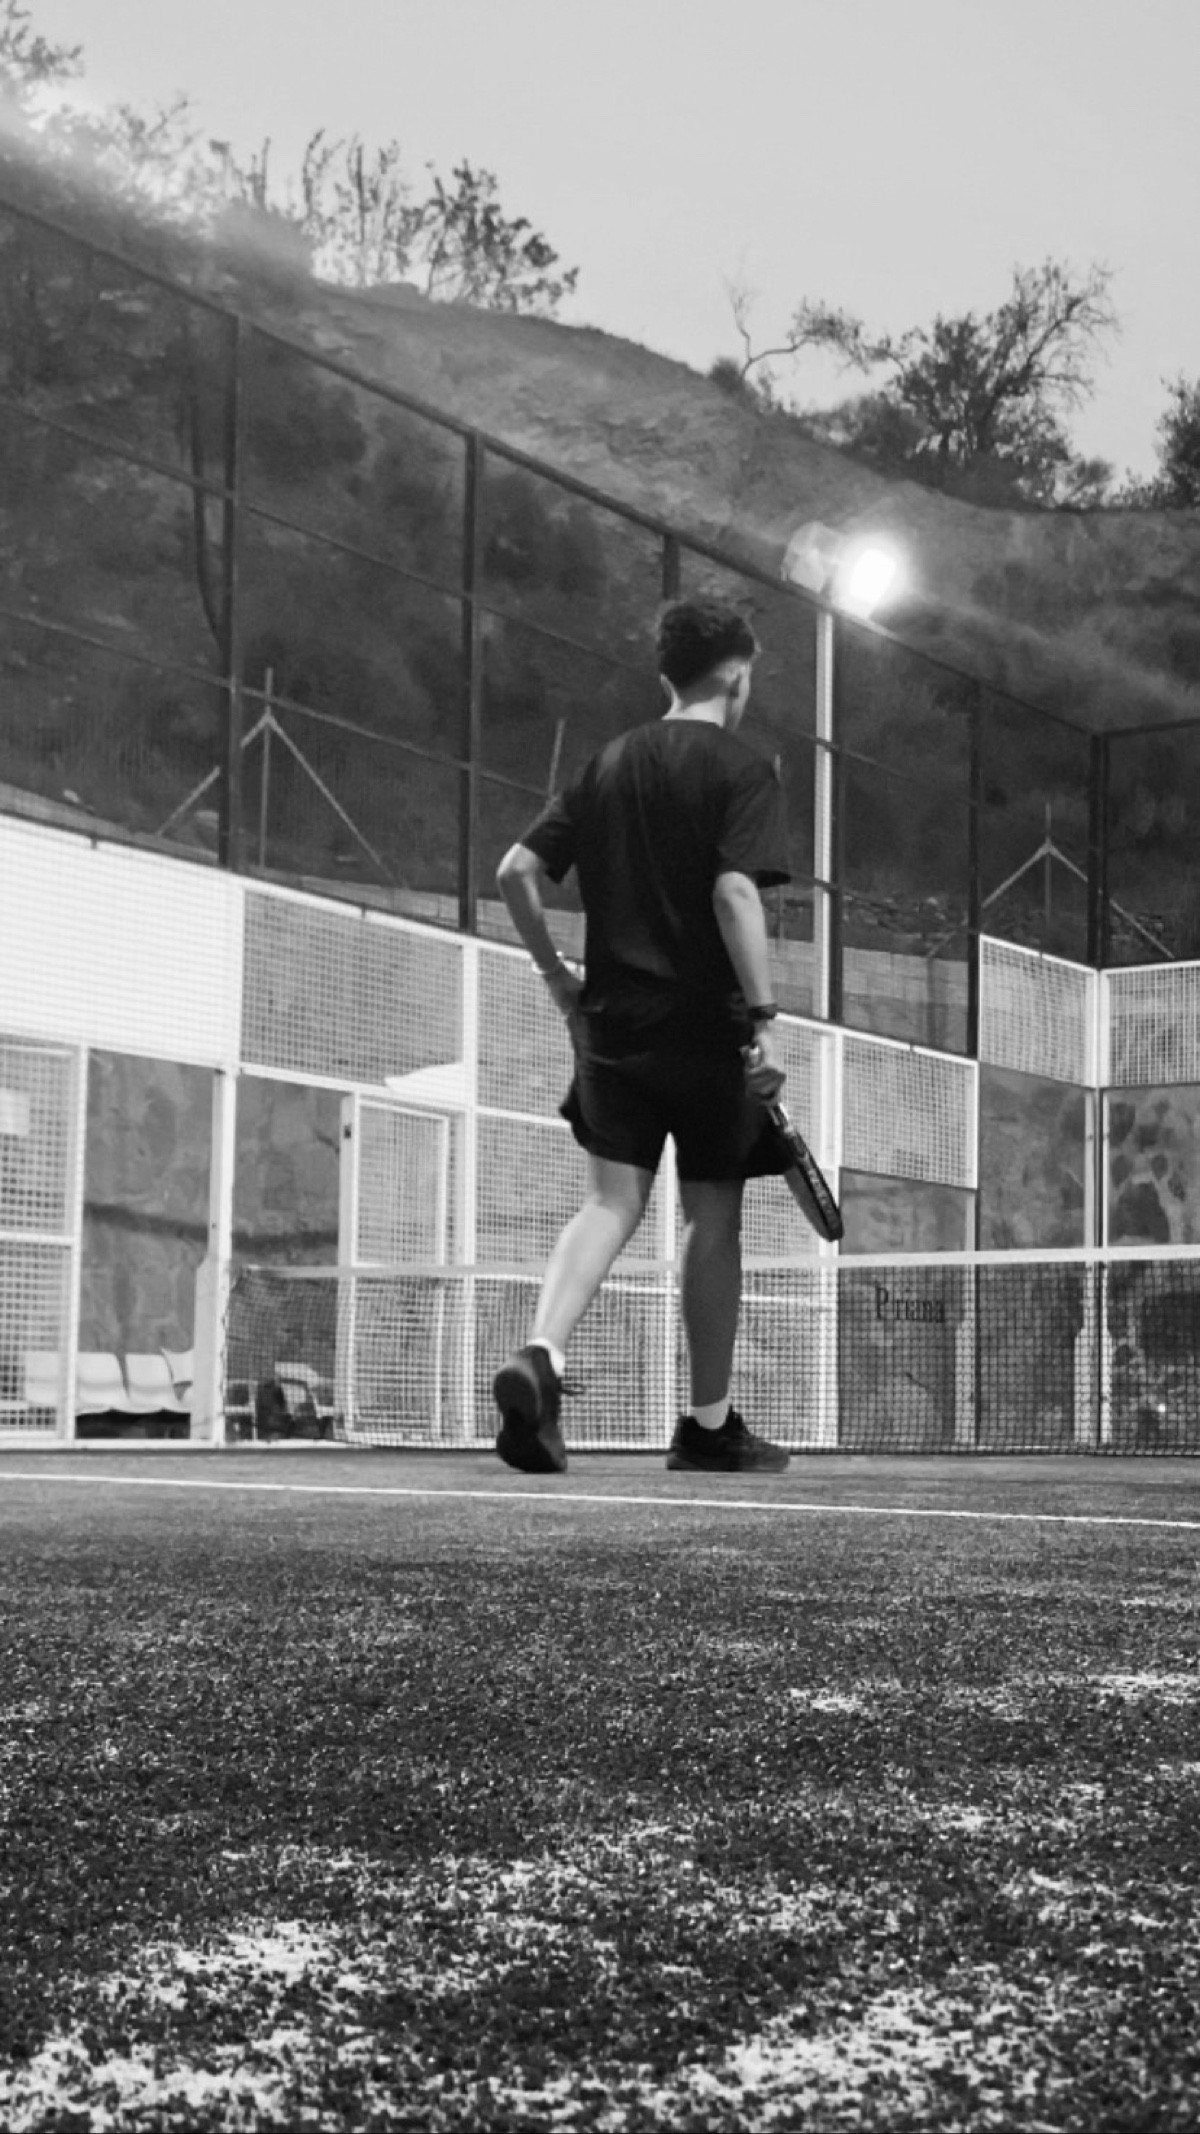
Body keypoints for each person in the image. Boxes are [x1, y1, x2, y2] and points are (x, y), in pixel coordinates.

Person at [492, 596, 793, 1476]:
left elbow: (516, 872)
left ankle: (542, 1353)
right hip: (706, 1032)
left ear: (668, 675)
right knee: (712, 1216)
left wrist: (558, 978)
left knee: (609, 1205)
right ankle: (707, 1426)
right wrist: (766, 1020)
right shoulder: (743, 770)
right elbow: (734, 893)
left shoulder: (608, 763)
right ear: (735, 677)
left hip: (613, 1026)